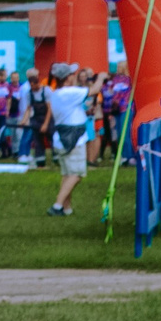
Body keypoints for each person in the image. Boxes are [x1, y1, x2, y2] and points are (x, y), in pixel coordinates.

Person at [44, 65, 91, 217]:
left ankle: (66, 208)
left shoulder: (56, 94)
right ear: (67, 77)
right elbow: (93, 90)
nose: (74, 76)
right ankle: (57, 205)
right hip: (73, 141)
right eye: (72, 74)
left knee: (67, 174)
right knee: (76, 174)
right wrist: (101, 78)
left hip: (61, 139)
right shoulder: (70, 92)